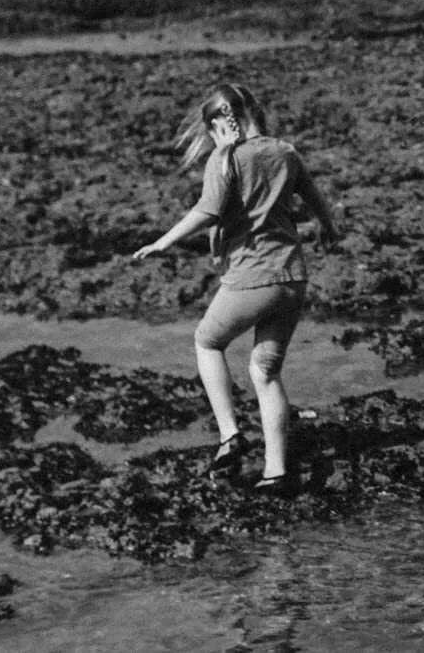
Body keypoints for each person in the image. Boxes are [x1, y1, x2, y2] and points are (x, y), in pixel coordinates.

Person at [133, 82, 341, 494]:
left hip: (252, 278)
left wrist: (163, 241)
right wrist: (329, 229)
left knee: (207, 341)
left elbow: (207, 211)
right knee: (265, 372)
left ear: (216, 125)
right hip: (292, 278)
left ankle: (230, 434)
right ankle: (276, 472)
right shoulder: (285, 152)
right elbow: (317, 202)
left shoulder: (224, 159)